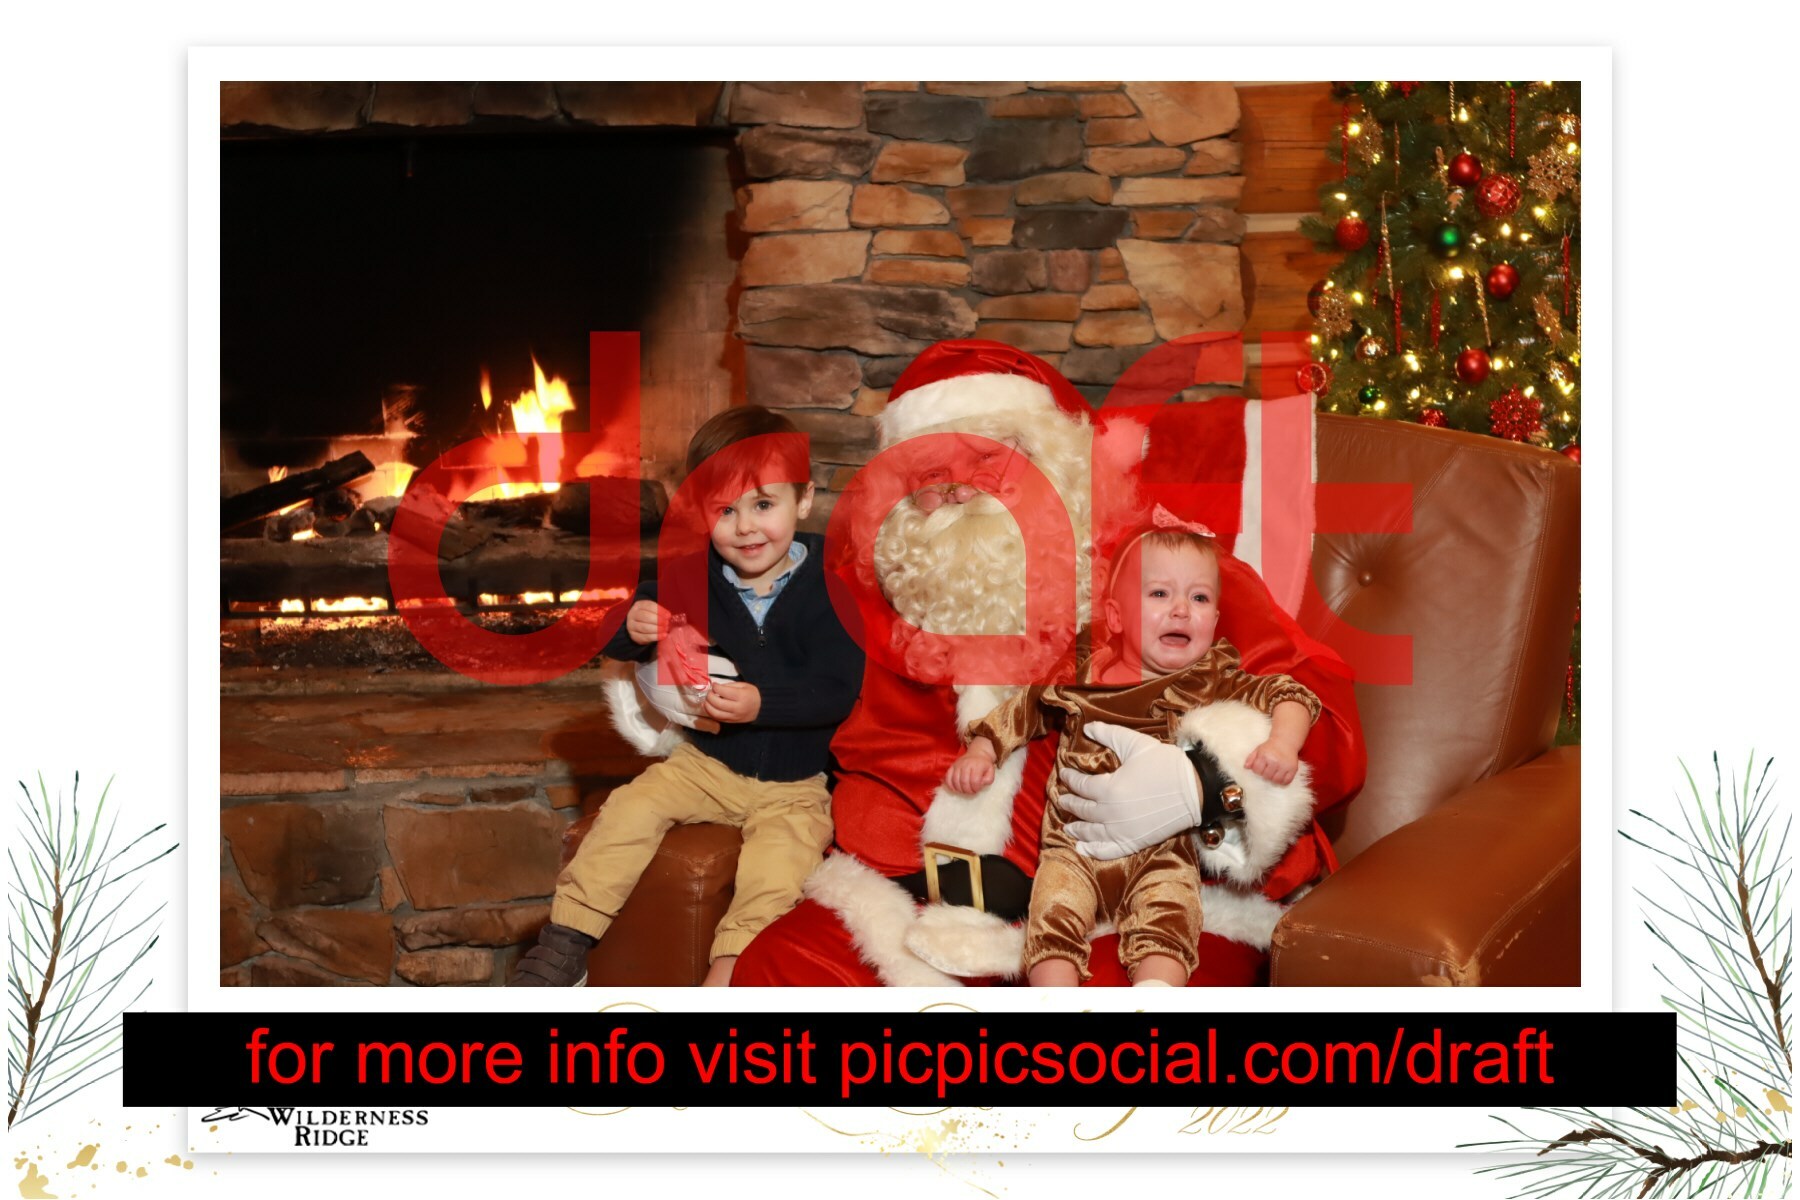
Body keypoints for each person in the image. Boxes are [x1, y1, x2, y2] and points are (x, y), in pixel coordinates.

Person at [732, 339, 1365, 988]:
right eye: (930, 473)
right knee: (770, 976)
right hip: (903, 911)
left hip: (1134, 911)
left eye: (987, 457)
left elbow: (1320, 712)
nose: (959, 488)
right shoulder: (884, 587)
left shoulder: (1164, 570)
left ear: (1052, 461)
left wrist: (1197, 782)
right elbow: (783, 687)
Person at [509, 407, 863, 987]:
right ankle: (567, 940)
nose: (745, 528)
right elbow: (616, 628)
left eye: (763, 505)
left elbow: (837, 689)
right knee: (629, 809)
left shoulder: (832, 585)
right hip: (706, 764)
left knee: (779, 868)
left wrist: (763, 704)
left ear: (803, 499)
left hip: (796, 784)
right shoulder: (691, 576)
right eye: (725, 510)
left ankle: (729, 970)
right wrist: (632, 623)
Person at [943, 519, 1318, 986]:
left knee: (1171, 919)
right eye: (1160, 593)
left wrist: (1283, 742)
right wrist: (982, 750)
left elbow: (1290, 694)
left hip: (1162, 852)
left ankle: (1155, 992)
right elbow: (1023, 710)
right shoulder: (1082, 673)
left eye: (1199, 598)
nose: (1181, 609)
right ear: (1116, 618)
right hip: (1074, 847)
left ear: (1215, 620)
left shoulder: (1207, 676)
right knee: (1052, 918)